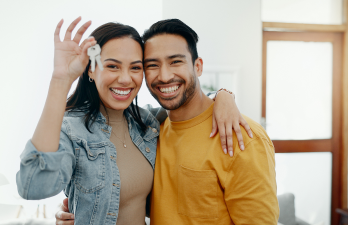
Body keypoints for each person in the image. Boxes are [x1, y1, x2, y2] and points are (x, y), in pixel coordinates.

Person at [16, 17, 251, 225]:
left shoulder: (147, 123)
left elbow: (186, 106)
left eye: (136, 67)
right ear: (90, 70)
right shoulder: (72, 129)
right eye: (112, 66)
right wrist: (61, 79)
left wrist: (223, 96)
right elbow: (34, 187)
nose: (125, 79)